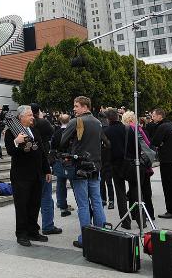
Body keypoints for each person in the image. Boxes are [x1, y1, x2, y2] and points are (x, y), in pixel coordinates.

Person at [60, 96, 107, 249]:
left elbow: (62, 142)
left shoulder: (76, 122)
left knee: (83, 205)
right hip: (95, 167)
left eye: (76, 106)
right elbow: (107, 143)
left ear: (85, 107)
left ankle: (86, 239)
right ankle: (101, 235)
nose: (74, 109)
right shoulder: (98, 122)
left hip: (80, 167)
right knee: (97, 201)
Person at [5, 105, 51, 247]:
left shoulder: (34, 130)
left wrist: (47, 170)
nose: (32, 117)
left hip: (37, 174)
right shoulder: (11, 132)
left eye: (32, 115)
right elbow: (10, 151)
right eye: (29, 115)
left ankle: (33, 231)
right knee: (22, 205)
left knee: (34, 204)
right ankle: (22, 234)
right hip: (21, 176)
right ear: (21, 117)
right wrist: (16, 142)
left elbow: (41, 151)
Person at [31, 103, 63, 236]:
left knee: (33, 197)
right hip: (43, 161)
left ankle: (32, 225)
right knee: (46, 196)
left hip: (31, 164)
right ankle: (48, 225)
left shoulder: (27, 126)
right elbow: (52, 134)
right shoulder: (43, 123)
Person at [151, 108, 172, 219]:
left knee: (168, 185)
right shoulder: (171, 125)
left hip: (166, 159)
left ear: (160, 116)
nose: (152, 117)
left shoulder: (162, 127)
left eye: (154, 115)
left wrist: (160, 144)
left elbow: (155, 142)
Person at [51, 114, 74, 217]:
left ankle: (62, 206)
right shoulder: (72, 132)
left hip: (59, 160)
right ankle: (81, 204)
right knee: (75, 183)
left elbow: (53, 147)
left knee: (60, 183)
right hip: (71, 160)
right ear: (69, 121)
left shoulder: (56, 133)